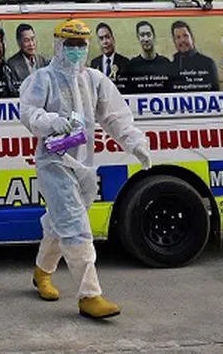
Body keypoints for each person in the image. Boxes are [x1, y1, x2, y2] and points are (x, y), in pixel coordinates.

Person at [20, 19, 152, 320]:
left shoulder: (94, 80)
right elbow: (28, 112)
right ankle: (89, 295)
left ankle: (42, 272)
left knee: (59, 221)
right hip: (54, 161)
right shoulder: (43, 79)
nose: (77, 50)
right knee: (75, 223)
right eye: (71, 44)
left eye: (81, 44)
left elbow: (115, 117)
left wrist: (135, 144)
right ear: (58, 45)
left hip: (83, 164)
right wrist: (52, 122)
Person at [121, 20, 173, 94]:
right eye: (142, 35)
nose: (146, 39)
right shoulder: (131, 66)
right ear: (138, 38)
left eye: (148, 34)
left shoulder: (165, 63)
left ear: (154, 36)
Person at [170, 20, 220, 91]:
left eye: (185, 35)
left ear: (192, 38)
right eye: (178, 37)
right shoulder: (172, 66)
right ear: (174, 41)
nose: (182, 40)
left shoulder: (208, 63)